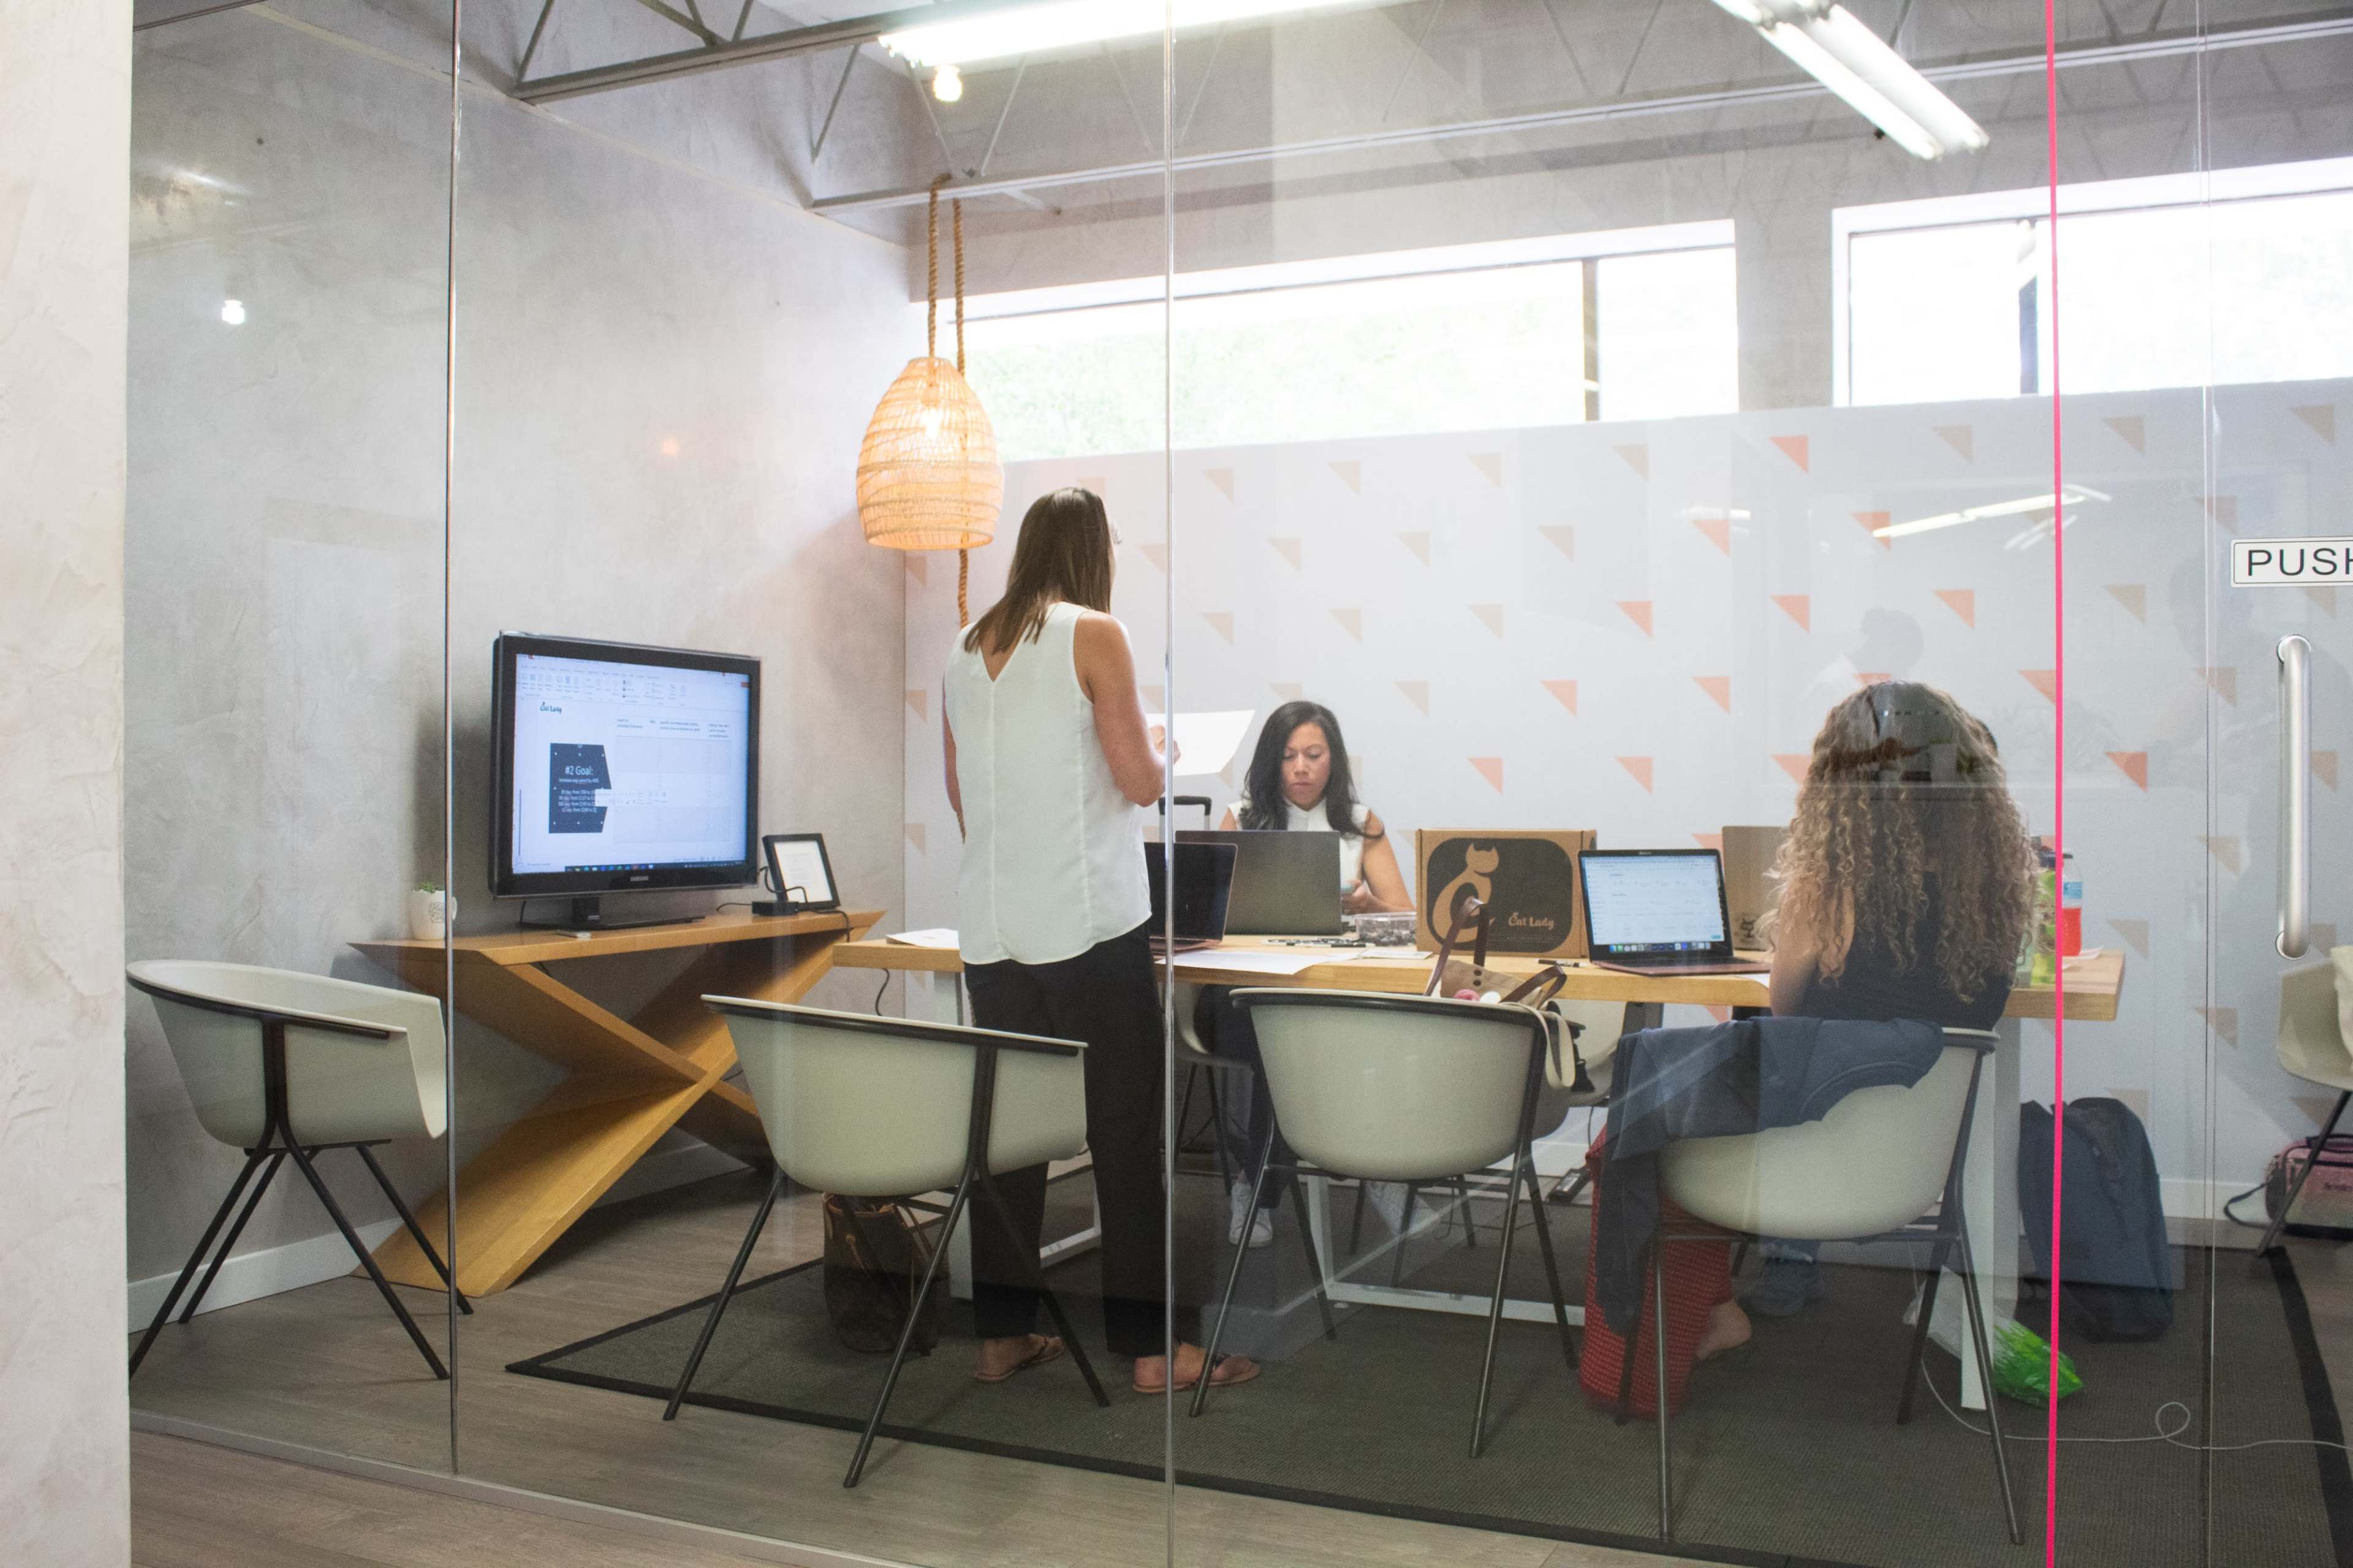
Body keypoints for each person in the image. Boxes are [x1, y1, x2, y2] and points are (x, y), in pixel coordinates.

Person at [943, 487, 1257, 1396]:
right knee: (1125, 1138)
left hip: (994, 935)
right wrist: (1157, 748)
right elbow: (1137, 779)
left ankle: (1002, 1335)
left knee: (1014, 1139)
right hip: (1088, 927)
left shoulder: (963, 649)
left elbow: (965, 801)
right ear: (1094, 555)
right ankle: (1155, 1350)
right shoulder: (1095, 634)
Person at [1718, 680, 2033, 1343]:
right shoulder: (1996, 894)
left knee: (1660, 1113)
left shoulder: (1826, 891)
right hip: (1922, 1161)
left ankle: (1742, 1292)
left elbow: (1784, 1007)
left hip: (1815, 1151)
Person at [1202, 702, 1412, 1247]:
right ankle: (1359, 1170)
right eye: (1289, 756)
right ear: (1272, 763)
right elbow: (1207, 915)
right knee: (1285, 1038)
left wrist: (1367, 906)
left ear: (1333, 760)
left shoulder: (1361, 824)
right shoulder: (1242, 816)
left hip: (1330, 992)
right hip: (1244, 995)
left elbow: (1407, 920)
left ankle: (1268, 1181)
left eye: (1314, 755)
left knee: (1310, 1035)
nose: (1301, 767)